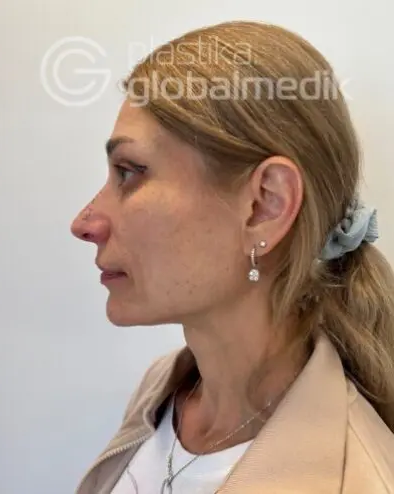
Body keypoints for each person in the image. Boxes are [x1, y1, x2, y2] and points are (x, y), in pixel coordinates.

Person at [70, 20, 394, 494]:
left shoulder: (358, 480)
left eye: (129, 172)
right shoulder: (162, 392)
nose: (85, 222)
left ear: (265, 205)